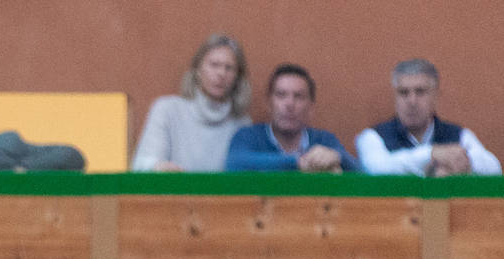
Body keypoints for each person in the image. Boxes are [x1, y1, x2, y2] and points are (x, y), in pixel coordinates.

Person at [355, 59, 501, 177]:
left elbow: (494, 169)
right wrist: (432, 154)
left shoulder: (459, 135)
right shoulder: (373, 137)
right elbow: (377, 169)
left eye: (420, 92)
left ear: (435, 96)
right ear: (395, 97)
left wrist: (462, 162)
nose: (412, 101)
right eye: (404, 93)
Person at [132, 33, 252, 172]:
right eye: (214, 65)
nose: (221, 73)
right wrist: (160, 168)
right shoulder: (167, 110)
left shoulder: (242, 123)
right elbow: (142, 165)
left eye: (229, 67)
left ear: (238, 77)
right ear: (198, 70)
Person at [225, 64, 358, 173]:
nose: (290, 104)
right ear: (269, 104)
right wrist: (297, 162)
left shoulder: (323, 139)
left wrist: (337, 157)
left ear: (311, 107)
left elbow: (359, 170)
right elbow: (235, 162)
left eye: (298, 96)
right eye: (281, 95)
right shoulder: (249, 136)